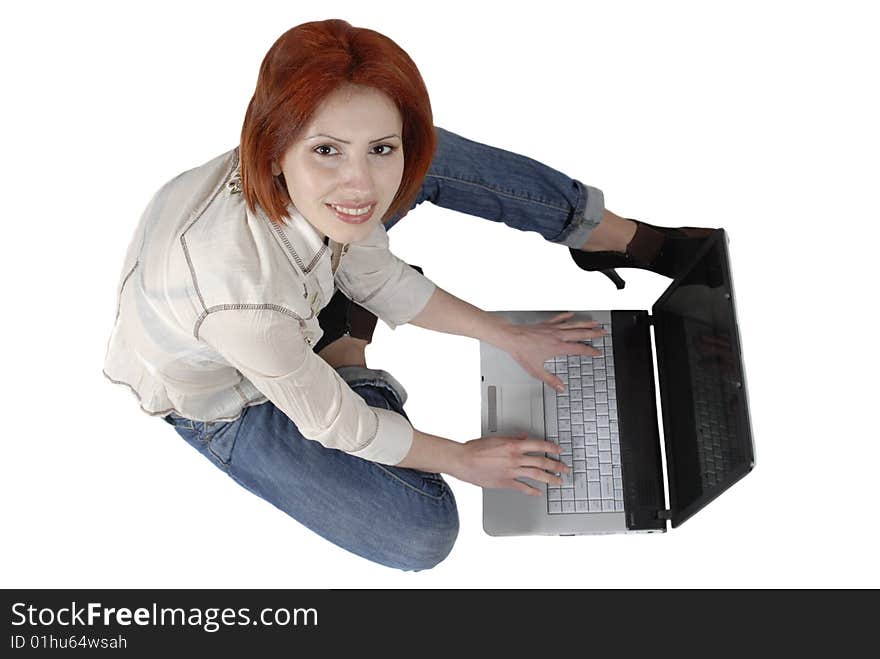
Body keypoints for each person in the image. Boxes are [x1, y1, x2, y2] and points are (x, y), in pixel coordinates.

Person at [103, 19, 713, 572]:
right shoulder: (243, 304)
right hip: (229, 397)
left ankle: (621, 239)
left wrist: (509, 336)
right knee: (422, 533)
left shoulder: (326, 189)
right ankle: (344, 354)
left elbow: (379, 277)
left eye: (379, 150)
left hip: (272, 294)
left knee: (421, 152)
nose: (361, 183)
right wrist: (466, 458)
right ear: (272, 147)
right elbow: (340, 426)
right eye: (325, 150)